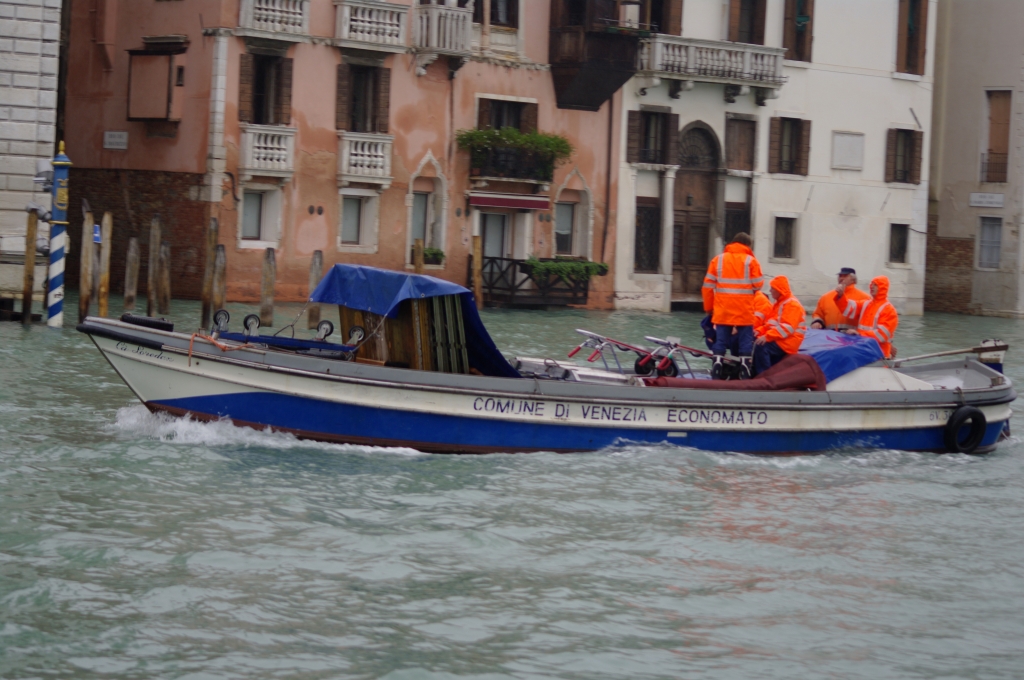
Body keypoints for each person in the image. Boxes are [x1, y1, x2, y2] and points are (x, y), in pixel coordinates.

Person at [702, 232, 763, 379]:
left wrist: (709, 308)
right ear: (748, 246)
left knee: (720, 341)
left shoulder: (718, 260)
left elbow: (707, 287)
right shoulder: (751, 261)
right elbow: (758, 284)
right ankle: (745, 371)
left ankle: (717, 368)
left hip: (723, 310)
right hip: (744, 310)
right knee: (745, 342)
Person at [834, 275, 899, 358]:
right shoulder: (866, 304)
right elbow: (849, 309)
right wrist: (841, 296)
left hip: (879, 355)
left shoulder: (889, 310)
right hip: (863, 352)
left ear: (883, 288)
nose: (872, 287)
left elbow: (881, 335)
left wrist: (860, 334)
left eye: (875, 285)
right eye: (871, 284)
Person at [754, 275, 807, 375]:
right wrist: (759, 331)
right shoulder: (780, 303)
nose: (770, 291)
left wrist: (767, 337)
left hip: (789, 341)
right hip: (782, 338)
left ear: (779, 290)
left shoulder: (792, 305)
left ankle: (764, 376)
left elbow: (787, 328)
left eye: (772, 288)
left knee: (761, 346)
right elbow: (770, 324)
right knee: (754, 340)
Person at [811, 267, 870, 332]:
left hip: (851, 336)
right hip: (829, 336)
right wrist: (817, 322)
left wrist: (859, 332)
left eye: (845, 276)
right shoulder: (825, 297)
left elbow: (868, 320)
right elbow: (818, 314)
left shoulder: (865, 297)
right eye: (840, 276)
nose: (841, 278)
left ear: (853, 279)